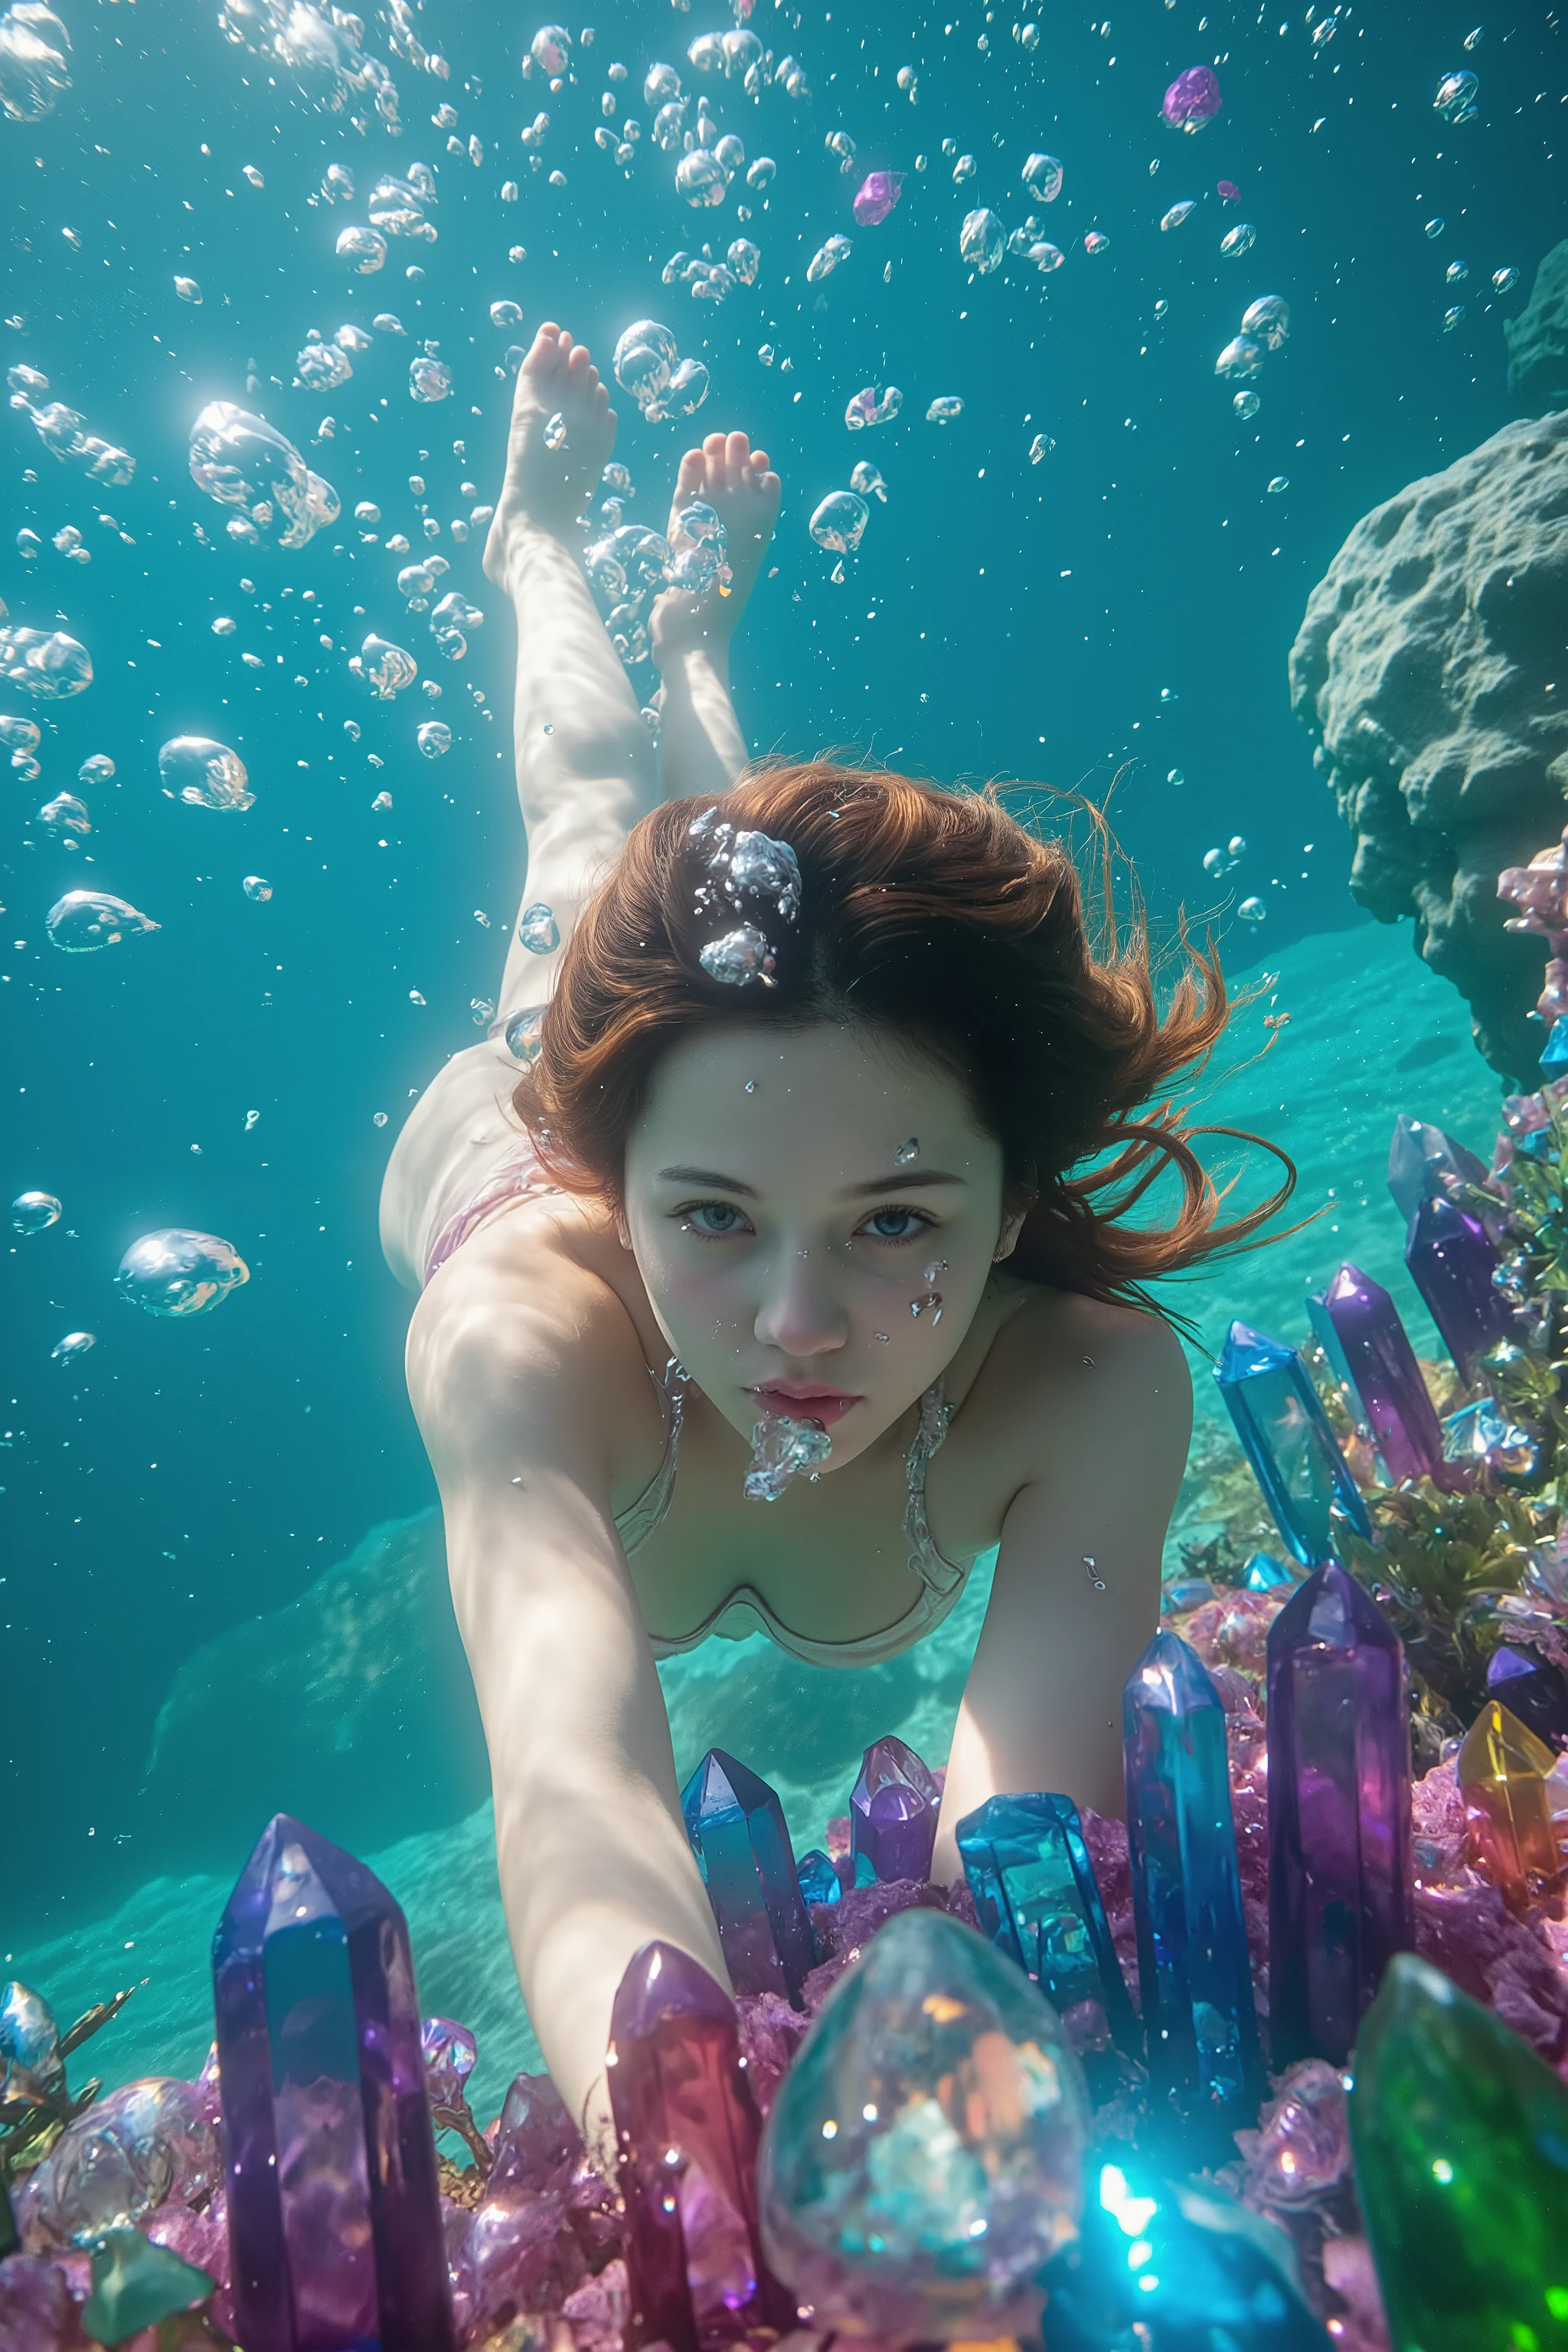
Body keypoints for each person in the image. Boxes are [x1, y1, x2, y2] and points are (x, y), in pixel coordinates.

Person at [380, 320, 1287, 2149]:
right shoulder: (515, 1343)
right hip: (522, 1102)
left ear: (1015, 1196)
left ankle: (700, 638)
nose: (798, 1323)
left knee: (738, 864)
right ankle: (534, 545)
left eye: (897, 1220)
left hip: (717, 1086)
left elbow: (1019, 1845)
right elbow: (578, 1793)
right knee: (587, 827)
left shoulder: (1085, 1387)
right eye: (711, 1220)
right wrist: (701, 2181)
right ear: (624, 1182)